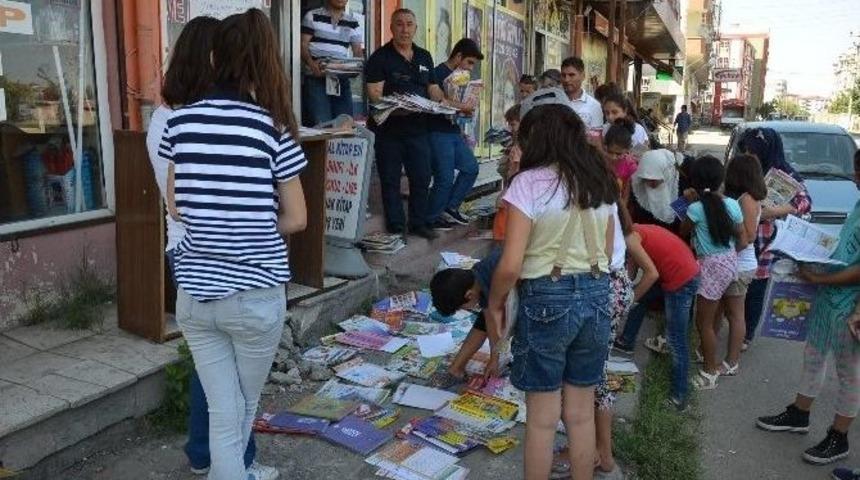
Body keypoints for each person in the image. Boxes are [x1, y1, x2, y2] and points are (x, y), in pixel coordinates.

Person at [162, 9, 307, 480]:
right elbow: (298, 218)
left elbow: (178, 207)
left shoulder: (179, 122)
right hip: (253, 295)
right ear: (266, 62)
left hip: (195, 292)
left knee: (226, 413)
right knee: (240, 414)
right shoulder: (272, 127)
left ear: (214, 56)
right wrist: (252, 224)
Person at [146, 16, 276, 480]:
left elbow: (180, 200)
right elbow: (182, 203)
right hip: (208, 259)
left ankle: (223, 458)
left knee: (223, 388)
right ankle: (226, 459)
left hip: (197, 262)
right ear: (208, 61)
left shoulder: (180, 119)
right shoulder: (184, 121)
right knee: (232, 396)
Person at [484, 88, 619, 480]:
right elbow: (608, 253)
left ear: (536, 140)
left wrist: (494, 303)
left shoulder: (527, 184)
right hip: (596, 295)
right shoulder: (601, 182)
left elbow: (510, 265)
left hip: (546, 296)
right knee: (579, 415)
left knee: (542, 421)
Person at [757, 150, 860, 466]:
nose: (855, 179)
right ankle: (799, 413)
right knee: (813, 356)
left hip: (851, 305)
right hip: (830, 298)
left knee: (849, 374)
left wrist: (818, 277)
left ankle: (838, 437)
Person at [366, 9, 448, 240]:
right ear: (392, 28)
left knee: (421, 177)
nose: (405, 29)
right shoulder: (380, 57)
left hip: (419, 129)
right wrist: (397, 105)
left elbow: (432, 88)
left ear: (416, 28)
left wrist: (443, 102)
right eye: (400, 24)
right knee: (390, 179)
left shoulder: (424, 56)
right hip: (389, 130)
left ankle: (418, 223)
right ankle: (395, 225)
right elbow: (374, 95)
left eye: (409, 24)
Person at [736, 127, 812, 350]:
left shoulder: (784, 175)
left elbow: (805, 202)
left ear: (768, 152)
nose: (750, 156)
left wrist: (775, 211)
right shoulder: (744, 169)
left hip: (766, 243)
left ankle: (746, 335)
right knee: (736, 287)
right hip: (740, 238)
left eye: (754, 152)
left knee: (756, 292)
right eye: (747, 151)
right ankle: (736, 327)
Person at [613, 223, 700, 409]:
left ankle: (679, 398)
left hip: (681, 280)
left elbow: (651, 275)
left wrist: (628, 302)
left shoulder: (631, 239)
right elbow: (632, 272)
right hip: (680, 271)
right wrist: (625, 294)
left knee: (676, 340)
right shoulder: (635, 232)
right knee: (641, 298)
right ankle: (626, 340)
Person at [681, 156, 744, 391]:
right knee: (723, 315)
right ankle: (711, 360)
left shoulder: (695, 208)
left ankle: (709, 372)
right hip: (730, 262)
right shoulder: (733, 204)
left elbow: (683, 229)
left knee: (703, 323)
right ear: (721, 180)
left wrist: (689, 202)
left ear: (694, 181)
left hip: (709, 266)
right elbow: (739, 233)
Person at [428, 38, 483, 230]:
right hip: (437, 131)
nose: (469, 68)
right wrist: (462, 106)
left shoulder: (463, 77)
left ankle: (450, 207)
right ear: (458, 56)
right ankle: (432, 216)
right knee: (445, 177)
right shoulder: (438, 73)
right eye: (468, 62)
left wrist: (468, 110)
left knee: (471, 168)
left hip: (454, 131)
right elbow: (438, 102)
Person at [719, 154, 767, 376]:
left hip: (740, 264)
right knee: (722, 310)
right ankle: (708, 351)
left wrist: (724, 254)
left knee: (736, 314)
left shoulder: (747, 200)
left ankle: (732, 361)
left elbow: (747, 237)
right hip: (735, 263)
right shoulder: (747, 198)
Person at [429, 248, 502, 384]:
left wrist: (495, 359)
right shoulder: (478, 275)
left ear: (469, 295)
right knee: (485, 320)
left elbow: (493, 323)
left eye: (462, 307)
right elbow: (487, 321)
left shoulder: (494, 279)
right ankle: (456, 369)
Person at [300, 0, 363, 126]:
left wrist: (355, 69)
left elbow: (357, 52)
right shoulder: (312, 16)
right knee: (322, 125)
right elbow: (302, 45)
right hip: (316, 78)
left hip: (341, 80)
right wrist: (312, 65)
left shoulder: (353, 22)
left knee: (344, 124)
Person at [629, 149, 682, 232]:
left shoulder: (678, 190)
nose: (651, 183)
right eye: (647, 178)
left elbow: (682, 227)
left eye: (656, 178)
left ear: (665, 173)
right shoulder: (638, 194)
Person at [493, 104, 522, 242]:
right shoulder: (520, 144)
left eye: (513, 124)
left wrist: (504, 193)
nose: (511, 129)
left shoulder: (520, 147)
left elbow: (515, 173)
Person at [560, 57, 604, 131]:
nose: (566, 80)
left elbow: (596, 137)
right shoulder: (554, 102)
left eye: (571, 75)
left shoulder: (594, 106)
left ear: (583, 76)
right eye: (563, 75)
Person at [603, 120, 638, 204]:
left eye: (618, 154)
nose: (613, 157)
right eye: (610, 152)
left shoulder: (630, 166)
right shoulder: (599, 160)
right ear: (605, 146)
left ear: (627, 150)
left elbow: (626, 195)